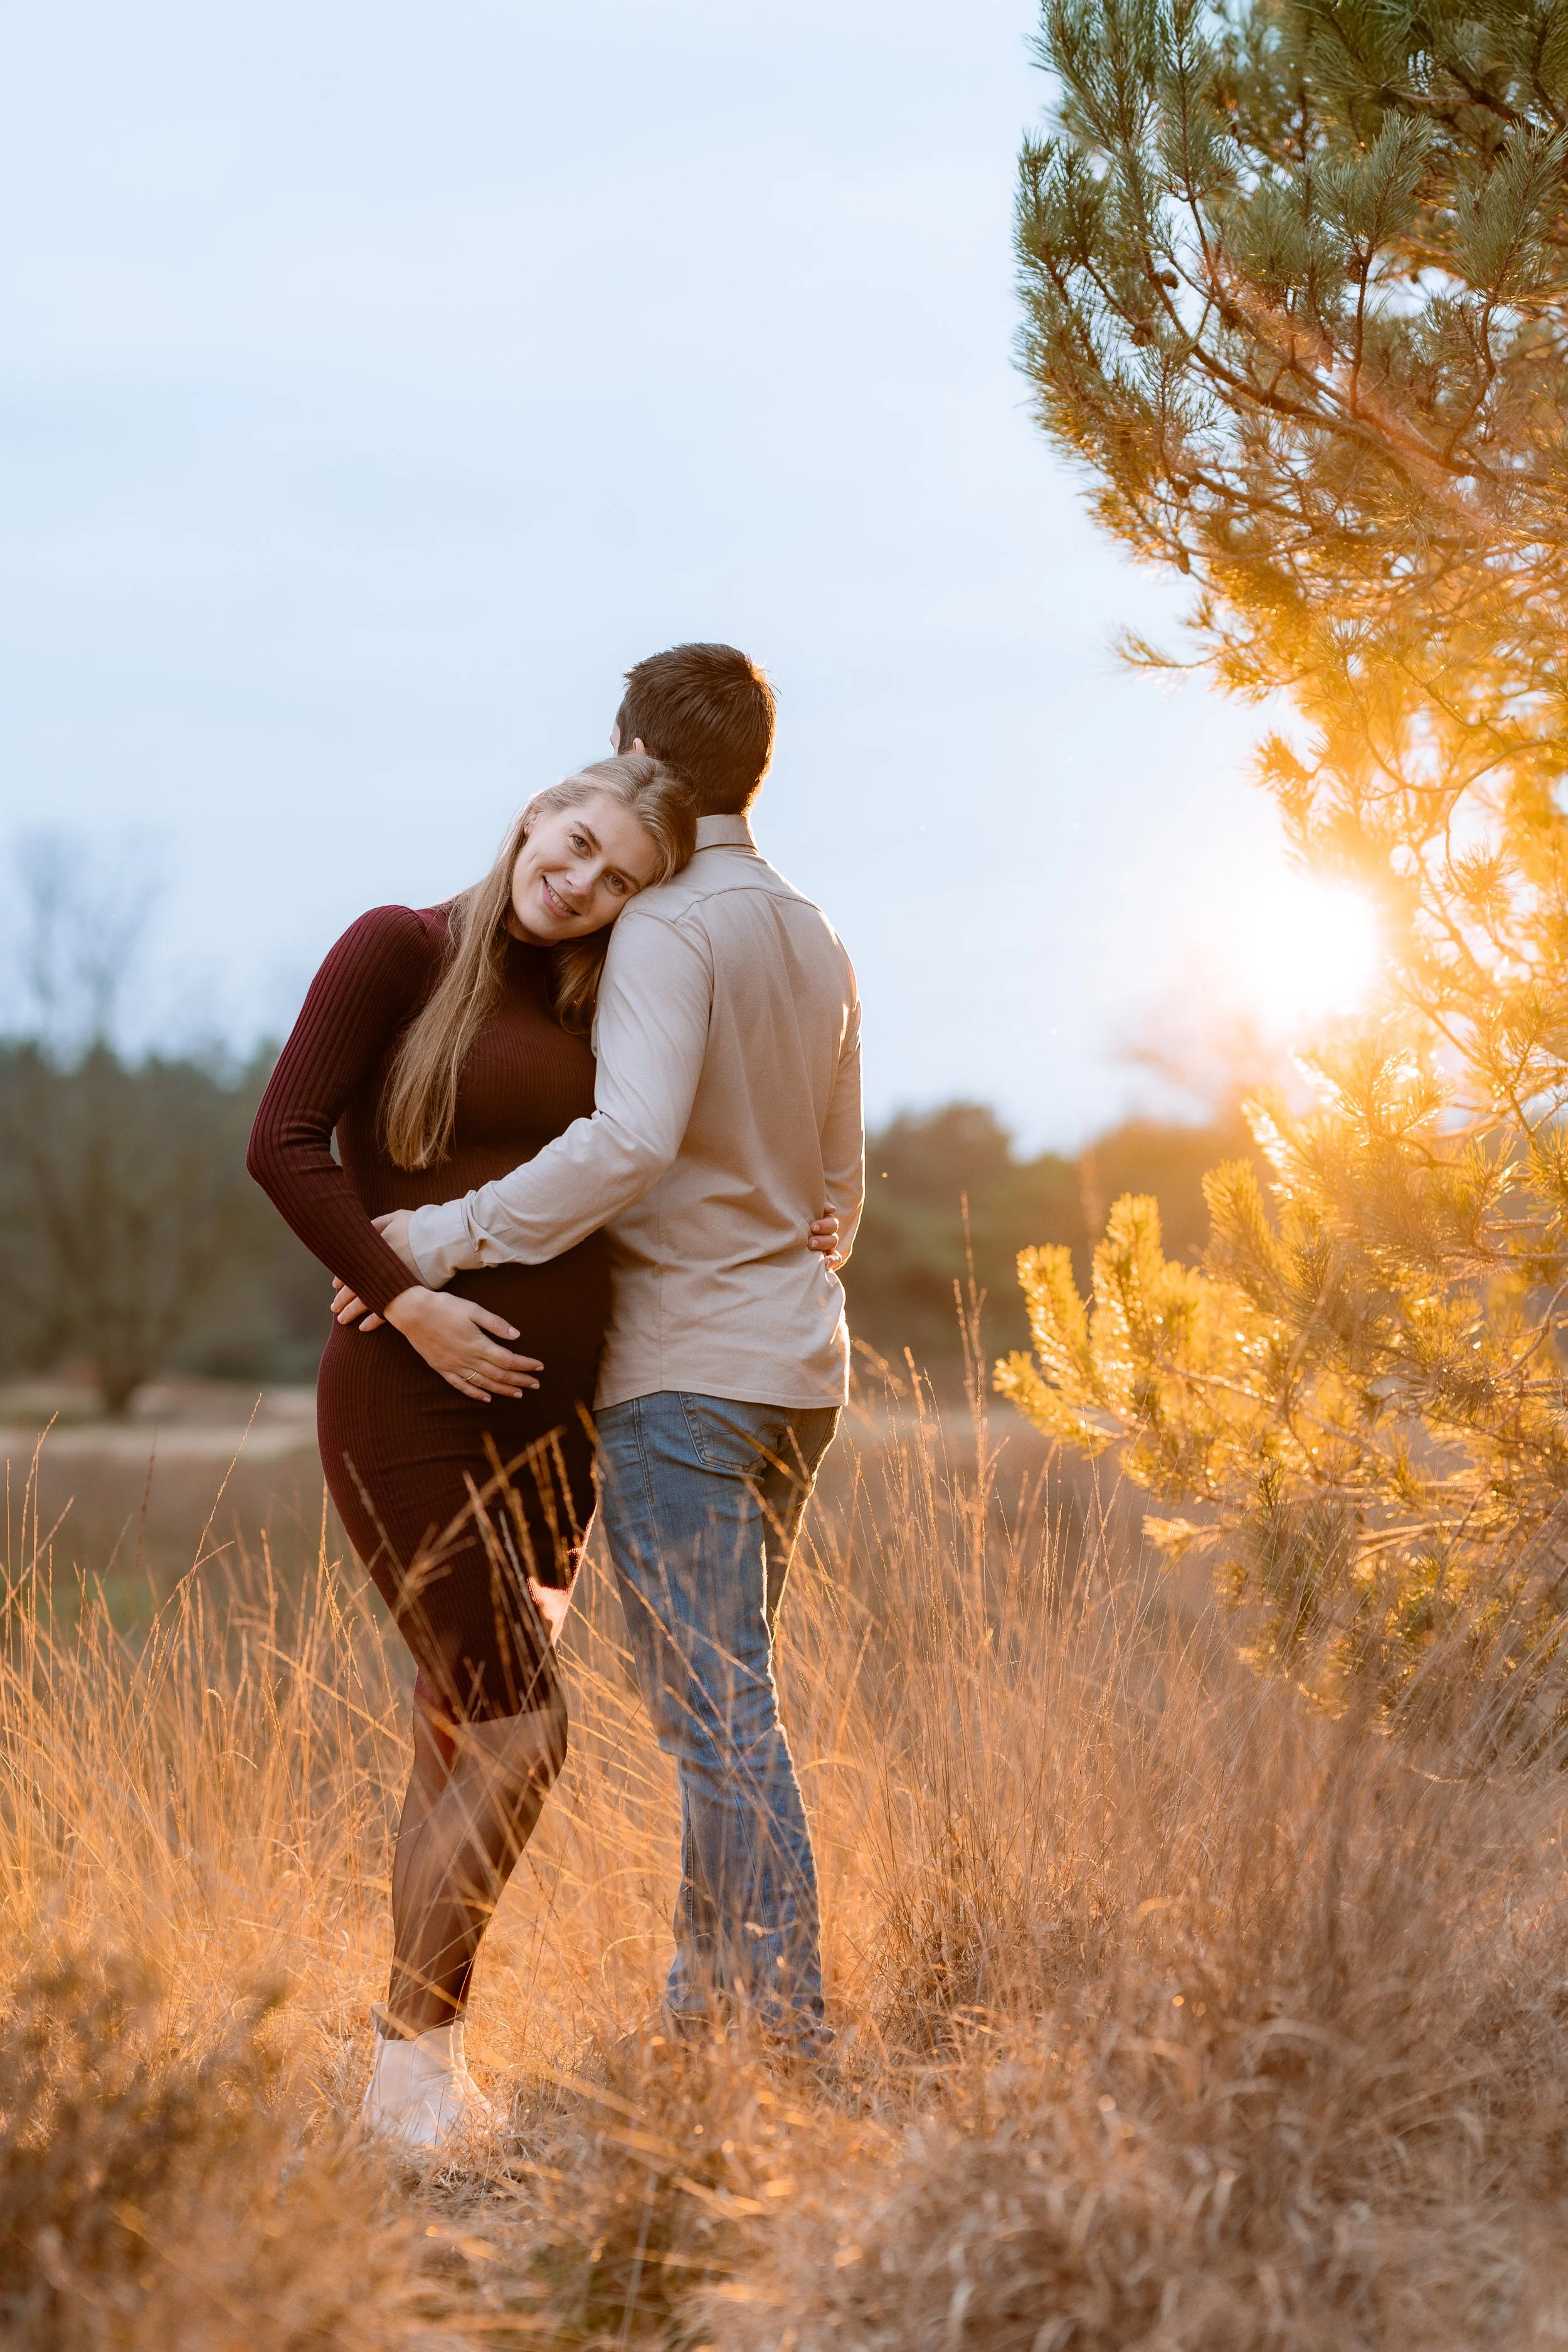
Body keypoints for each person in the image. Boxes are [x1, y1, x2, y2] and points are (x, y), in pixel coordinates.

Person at [335, 643, 864, 2058]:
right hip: (800, 1370)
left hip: (682, 1369)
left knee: (715, 1721)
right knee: (724, 1698)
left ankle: (786, 2032)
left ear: (633, 745)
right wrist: (809, 1244)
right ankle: (706, 2023)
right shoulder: (812, 930)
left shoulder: (663, 925)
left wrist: (428, 1246)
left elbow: (626, 1140)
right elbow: (839, 1179)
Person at [247, 753, 704, 2151]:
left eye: (615, 880)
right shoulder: (404, 948)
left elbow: (641, 1158)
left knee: (459, 1737)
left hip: (553, 1427)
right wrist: (407, 1298)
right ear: (532, 813)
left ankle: (412, 2085)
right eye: (574, 846)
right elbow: (282, 1143)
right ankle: (410, 2066)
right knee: (523, 1721)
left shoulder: (603, 996)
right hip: (408, 1396)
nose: (578, 887)